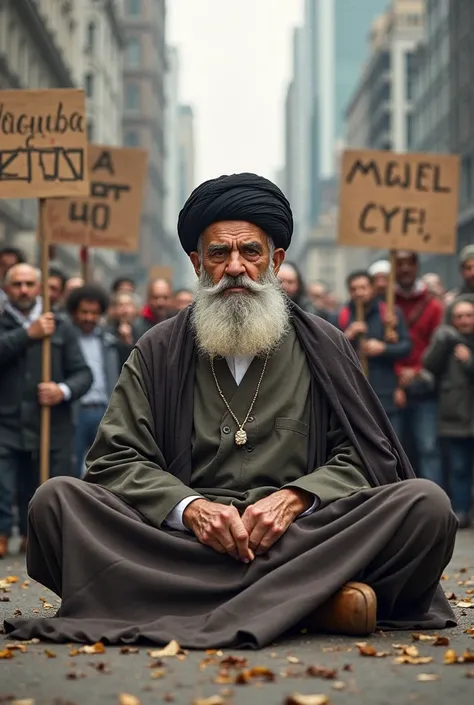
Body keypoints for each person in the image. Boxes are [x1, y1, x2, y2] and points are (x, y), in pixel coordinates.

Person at [5, 173, 457, 649]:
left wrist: (296, 499)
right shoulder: (158, 348)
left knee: (426, 506)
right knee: (54, 503)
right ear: (197, 262)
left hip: (301, 540)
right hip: (182, 544)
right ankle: (317, 601)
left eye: (251, 253)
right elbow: (115, 459)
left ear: (275, 261)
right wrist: (190, 509)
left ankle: (193, 599)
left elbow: (365, 457)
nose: (236, 267)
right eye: (219, 254)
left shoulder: (324, 345)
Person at [0, 265, 92, 558]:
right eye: (17, 284)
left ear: (39, 287)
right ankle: (2, 533)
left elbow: (83, 374)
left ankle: (35, 535)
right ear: (6, 288)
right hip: (6, 422)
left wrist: (61, 390)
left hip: (49, 424)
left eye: (29, 283)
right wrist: (28, 334)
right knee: (2, 483)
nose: (24, 290)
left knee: (43, 483)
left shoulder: (60, 325)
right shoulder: (4, 322)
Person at [336, 270, 411, 436]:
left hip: (385, 391)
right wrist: (348, 335)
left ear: (372, 288)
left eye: (363, 287)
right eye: (354, 289)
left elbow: (406, 348)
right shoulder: (341, 316)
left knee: (392, 444)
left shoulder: (390, 313)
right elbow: (329, 353)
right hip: (354, 392)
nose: (359, 292)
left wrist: (383, 348)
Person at [66, 285, 129, 477]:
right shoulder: (66, 340)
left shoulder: (108, 341)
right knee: (74, 464)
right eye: (84, 312)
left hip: (104, 411)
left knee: (105, 466)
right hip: (75, 412)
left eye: (94, 313)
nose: (88, 318)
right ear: (74, 312)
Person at [423, 297, 474, 529]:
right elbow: (429, 364)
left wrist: (469, 362)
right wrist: (442, 342)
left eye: (469, 315)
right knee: (459, 468)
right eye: (459, 316)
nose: (464, 321)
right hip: (455, 417)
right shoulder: (447, 341)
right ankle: (461, 512)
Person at [394, 251, 444, 485]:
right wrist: (398, 375)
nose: (404, 269)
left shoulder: (433, 306)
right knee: (395, 450)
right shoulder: (387, 304)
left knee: (428, 447)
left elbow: (437, 345)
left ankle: (437, 507)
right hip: (394, 389)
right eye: (399, 264)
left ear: (416, 267)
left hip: (424, 387)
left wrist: (415, 370)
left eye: (408, 264)